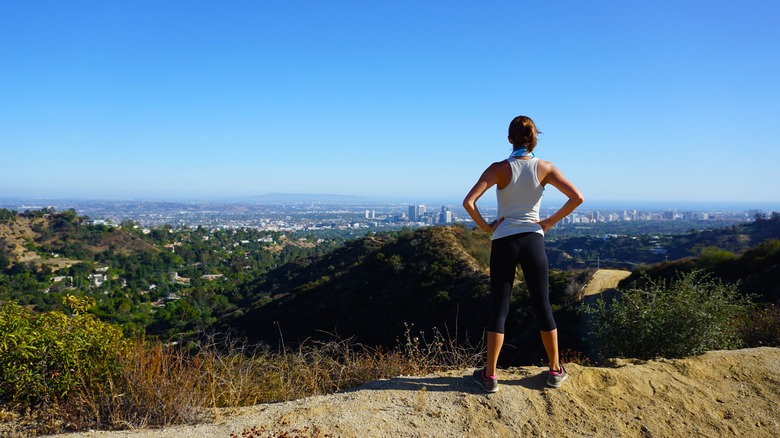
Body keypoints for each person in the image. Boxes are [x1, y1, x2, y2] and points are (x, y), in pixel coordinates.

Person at [463, 115, 583, 393]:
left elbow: (469, 202)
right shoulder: (545, 167)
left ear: (509, 139)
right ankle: (555, 370)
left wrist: (486, 228)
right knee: (542, 305)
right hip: (533, 240)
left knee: (499, 308)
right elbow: (577, 197)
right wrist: (549, 222)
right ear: (534, 139)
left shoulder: (498, 168)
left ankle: (490, 376)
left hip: (504, 240)